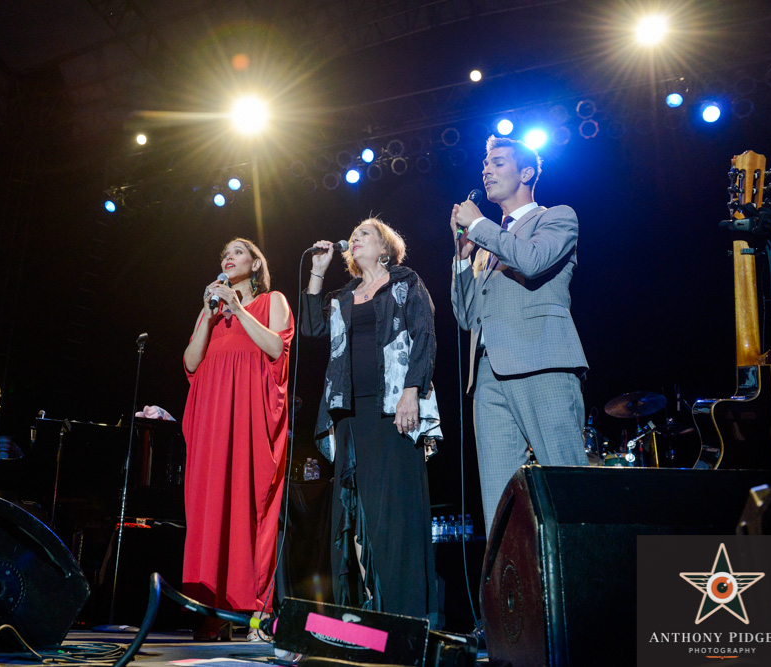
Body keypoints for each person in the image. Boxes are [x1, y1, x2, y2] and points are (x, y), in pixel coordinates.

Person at [302, 218, 441, 620]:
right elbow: (311, 327)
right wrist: (316, 271)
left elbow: (424, 333)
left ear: (384, 247)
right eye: (355, 235)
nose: (356, 238)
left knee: (393, 511)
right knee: (354, 509)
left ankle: (406, 613)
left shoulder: (405, 282)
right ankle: (362, 610)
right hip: (348, 411)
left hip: (392, 406)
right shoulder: (344, 295)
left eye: (366, 234)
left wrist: (412, 390)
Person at [450, 135, 588, 537]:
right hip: (488, 375)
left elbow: (531, 261)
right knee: (499, 499)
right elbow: (466, 315)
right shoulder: (485, 243)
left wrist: (478, 224)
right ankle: (513, 593)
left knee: (567, 483)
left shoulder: (556, 217)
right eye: (484, 165)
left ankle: (583, 584)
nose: (486, 170)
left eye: (497, 162)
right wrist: (461, 260)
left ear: (526, 172)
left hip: (541, 361)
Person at [182, 238, 294, 640]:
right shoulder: (209, 313)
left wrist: (238, 309)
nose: (228, 257)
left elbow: (275, 349)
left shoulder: (272, 301)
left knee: (248, 509)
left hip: (248, 416)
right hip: (211, 418)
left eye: (237, 252)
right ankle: (212, 609)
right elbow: (191, 362)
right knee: (209, 509)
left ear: (256, 264)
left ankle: (253, 614)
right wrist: (210, 316)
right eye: (223, 253)